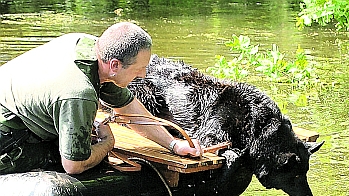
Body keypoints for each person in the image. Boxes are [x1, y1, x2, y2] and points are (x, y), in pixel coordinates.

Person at [0, 22, 202, 175]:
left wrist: (174, 144)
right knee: (61, 156)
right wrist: (107, 142)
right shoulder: (80, 92)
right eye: (139, 69)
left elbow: (128, 106)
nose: (142, 75)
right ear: (115, 65)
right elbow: (73, 165)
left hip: (15, 108)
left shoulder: (86, 45)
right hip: (8, 139)